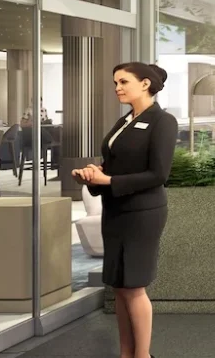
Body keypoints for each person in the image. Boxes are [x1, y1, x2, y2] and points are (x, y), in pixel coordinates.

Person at [73, 63, 176, 358]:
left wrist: (109, 179)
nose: (117, 87)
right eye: (115, 82)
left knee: (133, 286)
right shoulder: (124, 121)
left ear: (145, 84)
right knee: (118, 285)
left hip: (143, 213)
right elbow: (114, 166)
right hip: (116, 210)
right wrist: (94, 175)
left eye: (123, 81)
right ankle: (126, 353)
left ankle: (142, 356)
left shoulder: (162, 121)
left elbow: (159, 174)